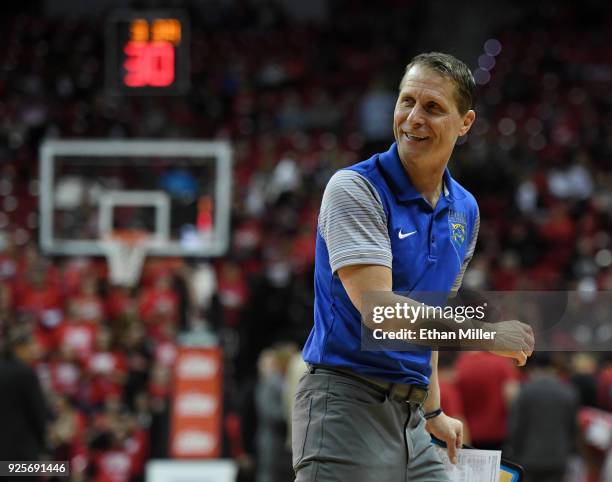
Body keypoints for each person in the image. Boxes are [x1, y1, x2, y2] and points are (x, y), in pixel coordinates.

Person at [292, 52, 535, 482]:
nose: (413, 118)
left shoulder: (465, 209)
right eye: (407, 102)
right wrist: (485, 336)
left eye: (433, 107)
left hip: (412, 417)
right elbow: (382, 313)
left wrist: (433, 409)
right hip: (346, 403)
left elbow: (428, 314)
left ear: (466, 123)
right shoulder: (355, 189)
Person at [0, 326, 49, 481]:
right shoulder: (26, 373)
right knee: (62, 469)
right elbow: (39, 416)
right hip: (21, 458)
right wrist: (46, 449)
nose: (34, 350)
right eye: (31, 345)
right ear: (19, 347)